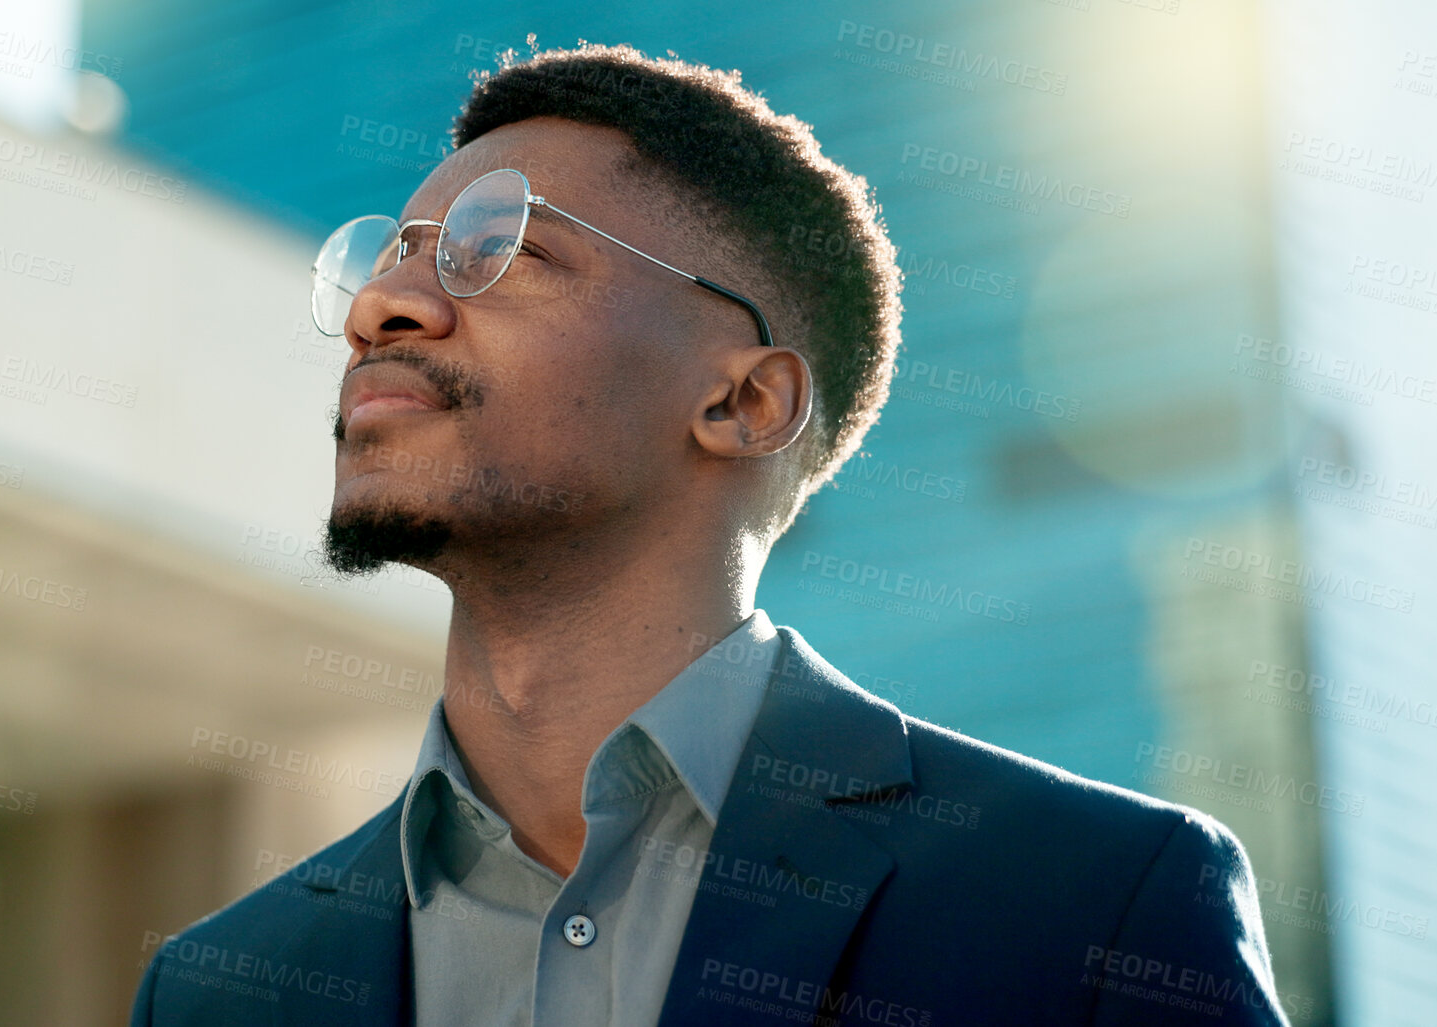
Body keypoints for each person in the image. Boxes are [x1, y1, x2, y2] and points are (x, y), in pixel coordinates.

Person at [131, 42, 1288, 1026]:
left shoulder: (1096, 907)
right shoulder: (214, 990)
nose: (384, 307)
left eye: (503, 250)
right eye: (391, 256)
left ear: (744, 403)